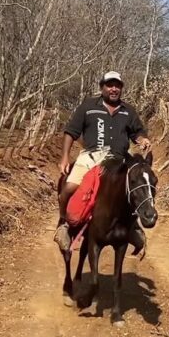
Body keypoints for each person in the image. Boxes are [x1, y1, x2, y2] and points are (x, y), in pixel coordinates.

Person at [55, 71, 152, 252]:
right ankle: (64, 225)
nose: (114, 89)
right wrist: (65, 157)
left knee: (139, 186)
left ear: (121, 88)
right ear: (102, 87)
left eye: (117, 85)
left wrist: (142, 139)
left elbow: (137, 132)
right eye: (110, 85)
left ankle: (133, 227)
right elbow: (71, 132)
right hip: (91, 157)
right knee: (68, 188)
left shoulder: (128, 111)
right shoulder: (88, 106)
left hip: (119, 160)